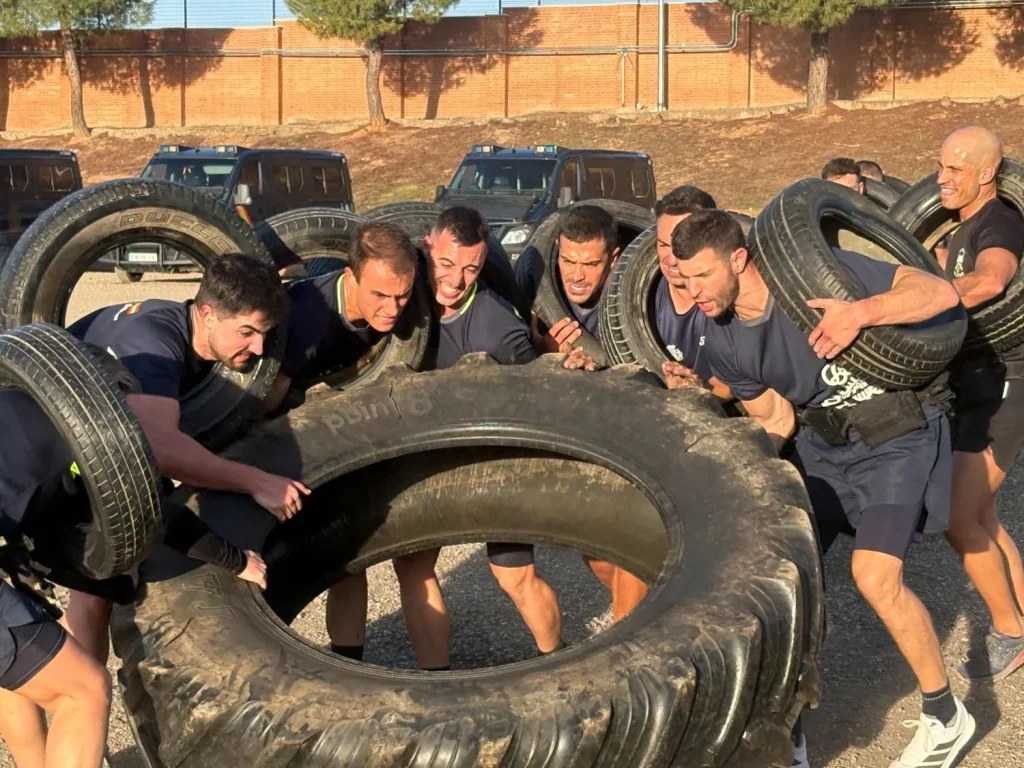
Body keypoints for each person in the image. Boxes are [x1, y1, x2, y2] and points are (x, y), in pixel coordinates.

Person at [668, 209, 974, 768]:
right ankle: (788, 730)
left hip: (895, 433)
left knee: (875, 576)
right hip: (825, 447)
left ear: (739, 259)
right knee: (779, 581)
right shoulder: (722, 341)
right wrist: (729, 468)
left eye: (704, 275)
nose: (694, 292)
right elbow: (777, 419)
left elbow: (937, 292)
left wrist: (859, 313)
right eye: (684, 279)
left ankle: (946, 717)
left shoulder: (807, 275)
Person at [326, 206, 586, 670]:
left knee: (513, 573)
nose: (456, 280)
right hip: (427, 459)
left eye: (471, 268)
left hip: (493, 459)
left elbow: (535, 400)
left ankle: (559, 660)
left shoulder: (498, 327)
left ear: (484, 263)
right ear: (427, 247)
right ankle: (437, 674)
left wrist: (551, 357)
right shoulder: (404, 298)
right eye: (446, 263)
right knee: (413, 565)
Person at [0, 350, 265, 768]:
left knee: (21, 666)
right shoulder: (95, 443)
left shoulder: (18, 399)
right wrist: (237, 560)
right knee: (83, 691)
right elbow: (153, 515)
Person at [65, 254, 308, 663]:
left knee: (113, 579)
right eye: (247, 332)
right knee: (94, 588)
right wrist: (257, 481)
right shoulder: (153, 344)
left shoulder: (194, 333)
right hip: (46, 452)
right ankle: (68, 688)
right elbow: (161, 451)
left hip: (101, 442)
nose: (259, 347)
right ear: (208, 314)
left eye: (265, 333)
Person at [931, 127, 1024, 682]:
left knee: (958, 516)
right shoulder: (961, 226)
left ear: (987, 174)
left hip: (1005, 381)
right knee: (983, 515)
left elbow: (991, 280)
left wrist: (925, 299)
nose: (942, 178)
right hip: (969, 380)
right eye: (941, 166)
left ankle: (1009, 632)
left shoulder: (1000, 222)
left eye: (956, 169)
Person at [262, 222, 420, 416]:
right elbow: (273, 390)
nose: (393, 309)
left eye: (403, 294)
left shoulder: (401, 288)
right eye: (380, 295)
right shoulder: (307, 320)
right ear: (351, 278)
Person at [653, 185, 732, 401]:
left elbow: (746, 377)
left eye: (681, 245)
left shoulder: (732, 298)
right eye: (663, 245)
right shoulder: (640, 298)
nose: (671, 259)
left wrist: (700, 389)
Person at [537, 205, 621, 353]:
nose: (577, 277)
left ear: (613, 259)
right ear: (558, 247)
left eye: (590, 265)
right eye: (568, 261)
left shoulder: (630, 302)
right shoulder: (534, 292)